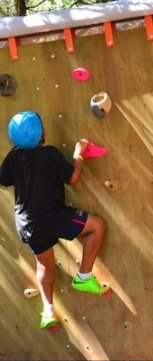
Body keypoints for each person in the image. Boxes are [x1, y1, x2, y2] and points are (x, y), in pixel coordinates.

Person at [0, 111, 108, 330]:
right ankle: (84, 276)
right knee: (97, 226)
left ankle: (48, 311)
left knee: (44, 265)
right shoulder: (49, 154)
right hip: (51, 216)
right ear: (42, 134)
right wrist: (78, 154)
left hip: (28, 223)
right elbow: (73, 178)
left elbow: (3, 181)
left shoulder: (13, 157)